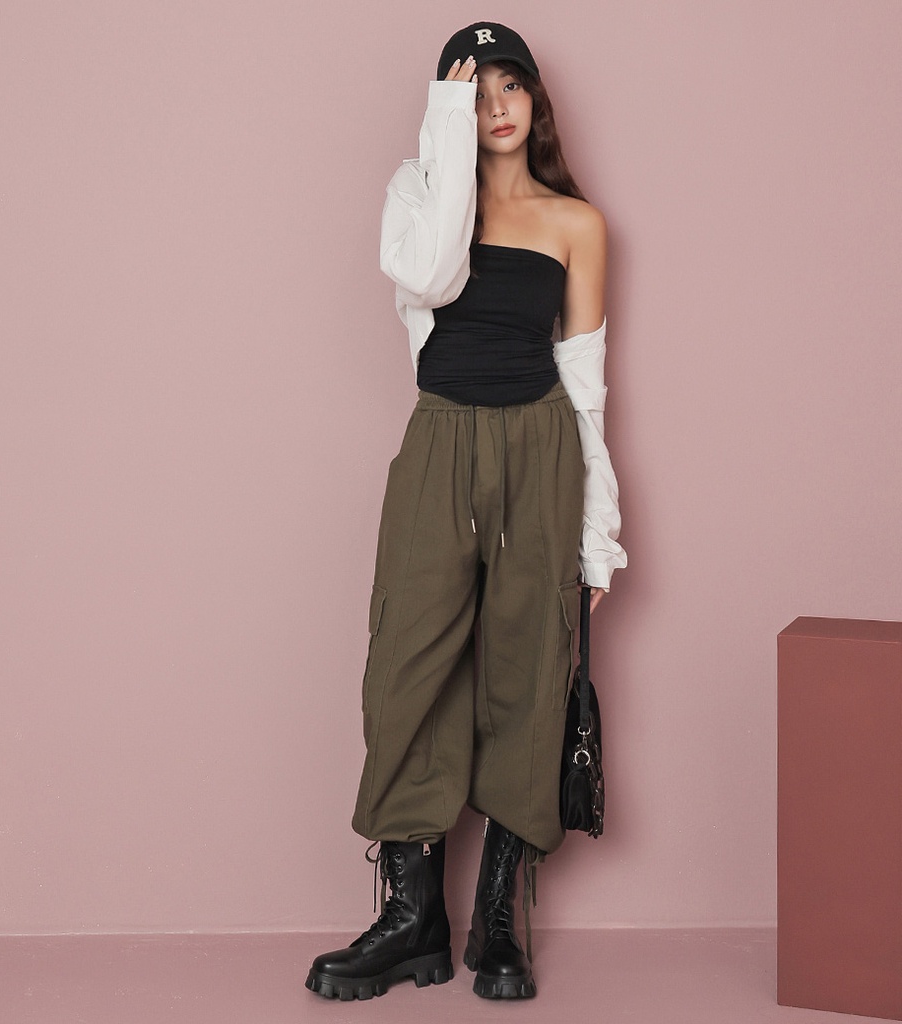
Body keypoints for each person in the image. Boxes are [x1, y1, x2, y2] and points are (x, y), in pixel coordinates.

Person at [305, 22, 626, 1002]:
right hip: (441, 438)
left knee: (529, 670)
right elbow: (435, 275)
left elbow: (585, 382)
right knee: (408, 664)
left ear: (536, 98)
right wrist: (444, 130)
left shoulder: (577, 224)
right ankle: (412, 920)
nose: (495, 108)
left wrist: (597, 535)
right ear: (449, 108)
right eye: (472, 92)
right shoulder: (419, 199)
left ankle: (497, 921)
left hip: (541, 445)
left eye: (508, 86)